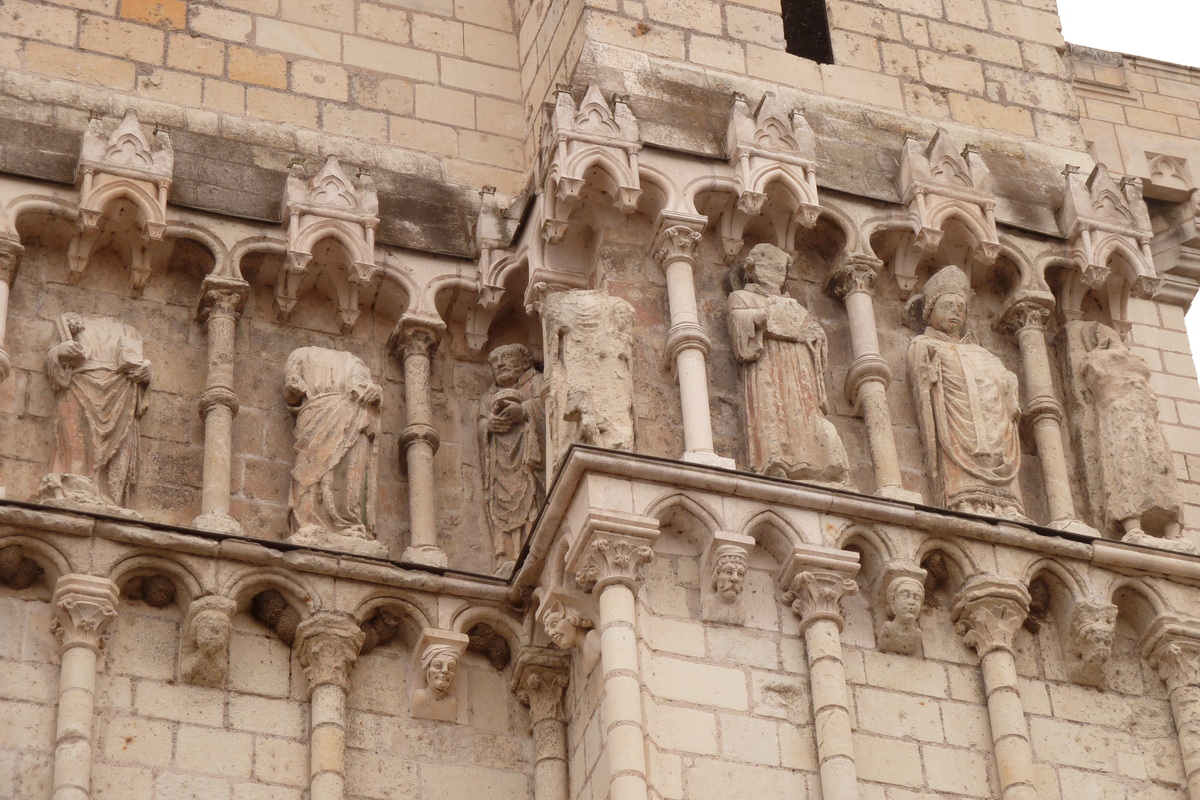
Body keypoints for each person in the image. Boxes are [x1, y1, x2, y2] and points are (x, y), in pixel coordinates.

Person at [907, 265, 1025, 518]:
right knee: (956, 446)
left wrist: (1007, 383)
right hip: (954, 423)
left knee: (995, 445)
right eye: (947, 306)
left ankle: (1005, 505)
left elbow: (1000, 386)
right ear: (930, 312)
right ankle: (963, 500)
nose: (955, 313)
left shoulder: (983, 354)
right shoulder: (925, 345)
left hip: (990, 423)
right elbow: (924, 385)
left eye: (960, 308)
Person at [728, 244, 848, 483]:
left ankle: (818, 463)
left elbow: (814, 333)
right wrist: (762, 317)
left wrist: (814, 335)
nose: (772, 271)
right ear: (751, 270)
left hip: (798, 364)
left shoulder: (795, 306)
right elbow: (739, 324)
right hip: (768, 360)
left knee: (805, 410)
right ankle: (776, 462)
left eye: (778, 267)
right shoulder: (742, 296)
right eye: (765, 265)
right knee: (772, 406)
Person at [1081, 322, 1183, 540]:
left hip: (1146, 419)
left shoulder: (1138, 361)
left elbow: (1141, 372)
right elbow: (1100, 379)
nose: (1108, 333)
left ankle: (1172, 531)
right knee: (1126, 469)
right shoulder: (1096, 360)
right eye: (1100, 332)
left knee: (1161, 469)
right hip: (1120, 417)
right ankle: (1133, 527)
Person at [43, 313, 151, 511]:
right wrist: (60, 351)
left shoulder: (131, 332)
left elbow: (139, 364)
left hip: (122, 390)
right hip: (78, 386)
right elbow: (53, 359)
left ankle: (110, 497)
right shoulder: (68, 321)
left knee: (119, 446)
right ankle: (73, 488)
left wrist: (146, 371)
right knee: (76, 441)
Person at [284, 347, 381, 541]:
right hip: (317, 413)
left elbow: (368, 387)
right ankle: (309, 521)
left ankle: (348, 523)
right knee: (312, 472)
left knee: (351, 474)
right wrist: (293, 389)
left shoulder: (354, 360)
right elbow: (292, 391)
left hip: (354, 416)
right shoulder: (300, 354)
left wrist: (375, 391)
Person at [479, 344, 544, 570]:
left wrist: (524, 410)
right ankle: (508, 555)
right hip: (501, 462)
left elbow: (548, 405)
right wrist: (488, 425)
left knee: (531, 498)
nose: (500, 364)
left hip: (528, 458)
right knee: (503, 504)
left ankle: (533, 549)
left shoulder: (536, 383)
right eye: (495, 361)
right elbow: (481, 423)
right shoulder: (489, 397)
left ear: (525, 361)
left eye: (506, 357)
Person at [411, 644, 460, 721]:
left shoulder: (452, 702)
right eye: (438, 665)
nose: (445, 670)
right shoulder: (419, 697)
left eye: (451, 668)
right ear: (427, 669)